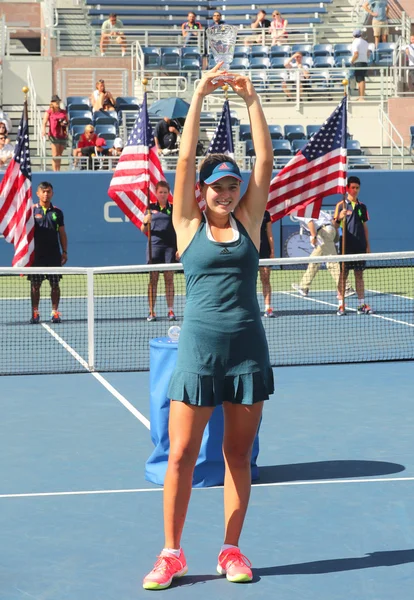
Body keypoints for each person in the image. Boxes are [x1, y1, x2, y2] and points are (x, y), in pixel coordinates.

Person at [142, 63, 274, 590]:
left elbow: (264, 158)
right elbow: (184, 160)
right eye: (217, 185)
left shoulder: (250, 221)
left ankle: (231, 549)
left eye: (232, 184)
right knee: (180, 455)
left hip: (247, 352)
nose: (225, 190)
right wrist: (198, 94)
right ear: (202, 190)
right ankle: (171, 553)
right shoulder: (186, 223)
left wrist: (251, 99)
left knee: (236, 456)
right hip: (196, 354)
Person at [291, 210, 356, 298]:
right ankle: (304, 287)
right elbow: (332, 222)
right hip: (330, 230)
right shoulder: (317, 210)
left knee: (332, 262)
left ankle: (347, 288)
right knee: (314, 260)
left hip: (323, 233)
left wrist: (313, 236)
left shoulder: (297, 211)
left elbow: (310, 222)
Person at [28, 182, 68, 325]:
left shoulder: (57, 212)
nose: (46, 194)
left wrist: (64, 251)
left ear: (52, 193)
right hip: (37, 255)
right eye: (43, 191)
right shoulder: (31, 211)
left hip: (53, 254)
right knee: (35, 285)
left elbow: (62, 233)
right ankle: (35, 312)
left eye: (49, 191)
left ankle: (55, 312)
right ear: (38, 193)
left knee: (55, 284)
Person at [333, 176, 372, 316]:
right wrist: (339, 217)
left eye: (357, 188)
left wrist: (367, 246)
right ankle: (341, 305)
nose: (354, 190)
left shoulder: (362, 207)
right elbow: (334, 225)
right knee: (343, 275)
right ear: (347, 188)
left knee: (359, 275)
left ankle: (361, 304)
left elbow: (364, 227)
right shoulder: (341, 205)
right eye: (352, 187)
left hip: (359, 245)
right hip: (345, 246)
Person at [140, 181, 177, 322]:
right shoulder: (150, 208)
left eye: (165, 192)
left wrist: (178, 248)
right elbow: (143, 230)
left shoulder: (173, 209)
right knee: (153, 279)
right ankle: (151, 311)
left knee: (169, 279)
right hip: (154, 247)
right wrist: (145, 222)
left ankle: (170, 310)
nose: (162, 195)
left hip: (170, 247)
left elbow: (178, 229)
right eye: (160, 192)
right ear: (156, 193)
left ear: (168, 194)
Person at [41, 95, 69, 172]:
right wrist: (43, 130)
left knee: (59, 155)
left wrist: (64, 123)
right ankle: (55, 171)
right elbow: (44, 122)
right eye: (55, 101)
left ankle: (58, 170)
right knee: (55, 154)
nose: (57, 103)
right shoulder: (49, 112)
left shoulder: (63, 111)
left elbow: (68, 122)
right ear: (52, 103)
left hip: (62, 134)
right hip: (53, 135)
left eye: (58, 101)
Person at [259, 210, 275, 317]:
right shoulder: (244, 210)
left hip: (264, 249)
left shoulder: (266, 214)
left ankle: (268, 308)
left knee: (265, 278)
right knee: (248, 281)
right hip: (249, 248)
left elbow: (269, 233)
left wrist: (272, 250)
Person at [350, 29, 371, 101]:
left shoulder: (355, 43)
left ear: (353, 35)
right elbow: (368, 53)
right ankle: (360, 96)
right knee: (360, 79)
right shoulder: (365, 42)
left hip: (358, 62)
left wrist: (352, 61)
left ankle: (361, 97)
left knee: (360, 79)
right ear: (361, 35)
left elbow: (356, 54)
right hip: (365, 61)